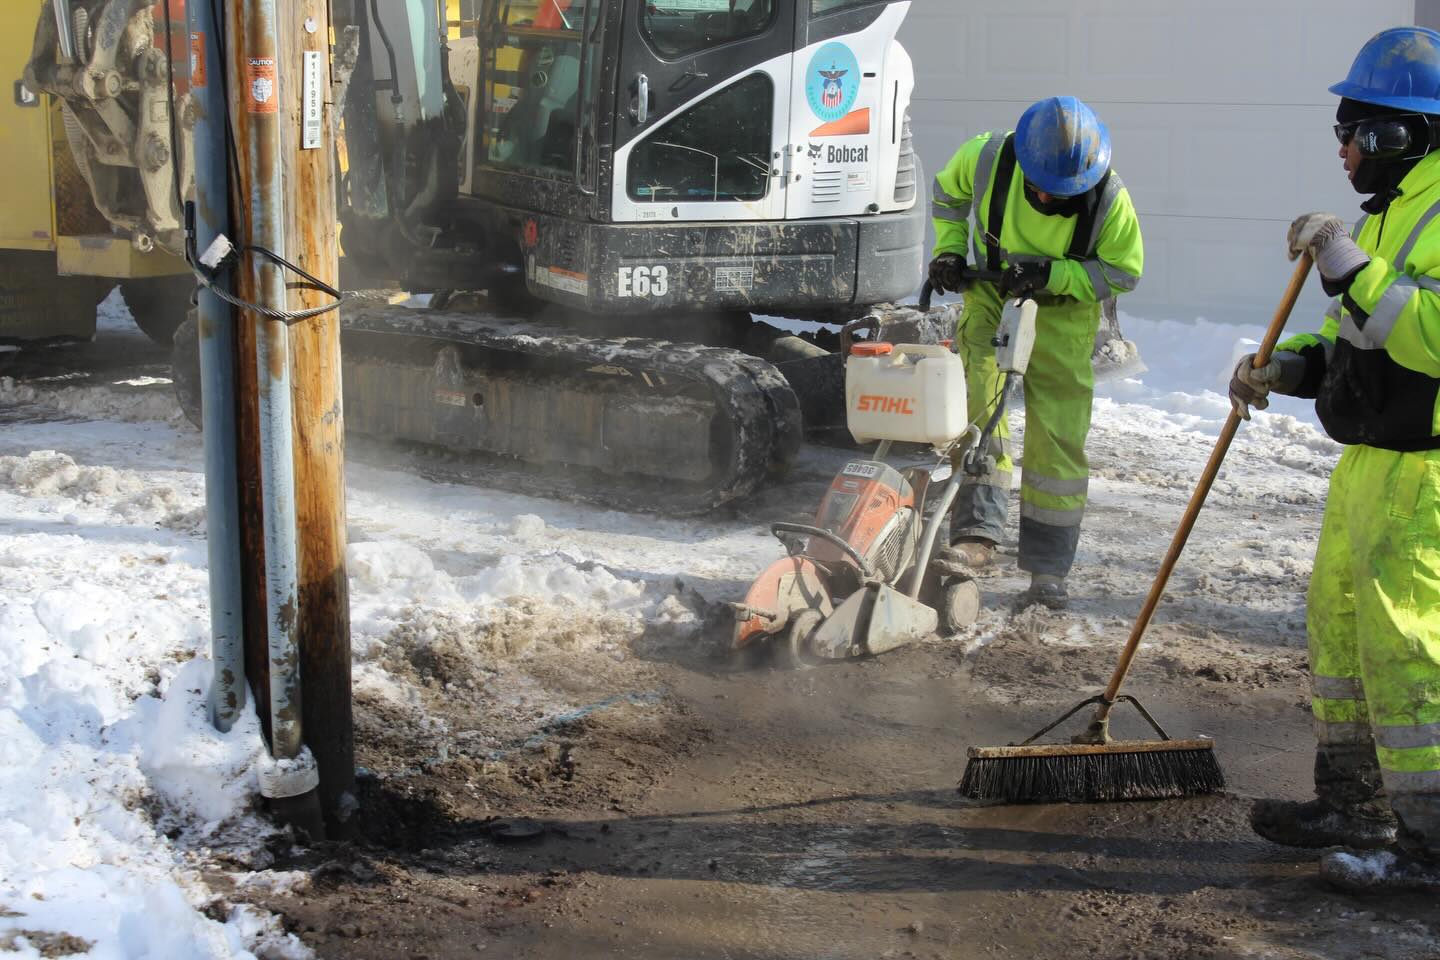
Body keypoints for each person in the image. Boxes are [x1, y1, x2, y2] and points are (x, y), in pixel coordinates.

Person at [1229, 25, 1440, 893]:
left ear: (1401, 133)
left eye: (1356, 132)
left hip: (1426, 473)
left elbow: (1427, 336)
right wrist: (1287, 369)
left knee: (1409, 656)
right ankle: (1354, 805)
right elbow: (1351, 339)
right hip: (1369, 464)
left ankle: (1427, 845)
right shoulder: (1387, 213)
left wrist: (1348, 265)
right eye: (1342, 134)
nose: (1347, 151)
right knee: (1344, 635)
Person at [928, 96, 1144, 608]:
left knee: (1058, 437)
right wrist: (949, 249)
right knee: (979, 410)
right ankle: (976, 535)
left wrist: (1055, 275)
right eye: (1039, 187)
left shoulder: (1111, 199)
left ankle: (1048, 568)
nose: (1047, 199)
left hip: (1063, 314)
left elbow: (1122, 272)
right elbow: (946, 196)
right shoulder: (984, 158)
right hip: (989, 295)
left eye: (1062, 193)